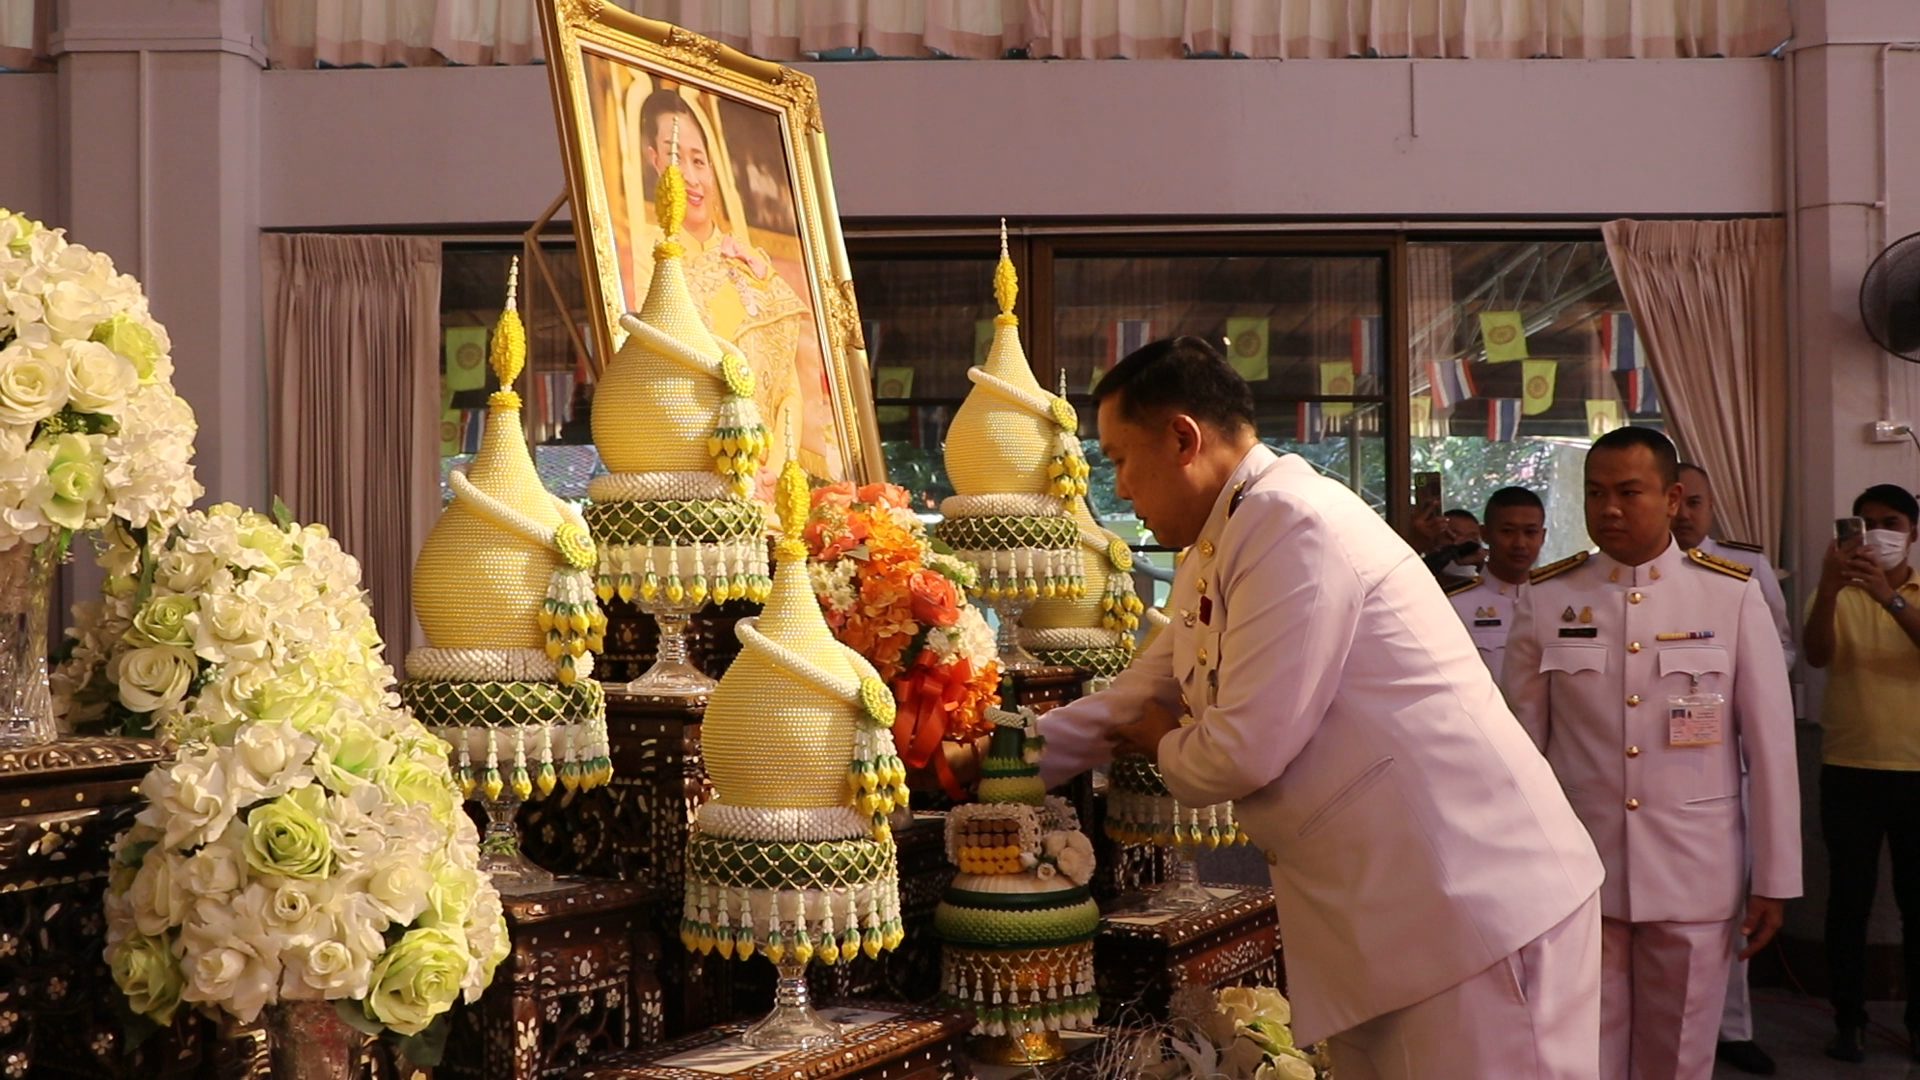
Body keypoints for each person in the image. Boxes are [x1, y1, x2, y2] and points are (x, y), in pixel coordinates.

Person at [1038, 337, 1604, 1080]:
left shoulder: (1288, 521)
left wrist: (1165, 745)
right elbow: (1142, 690)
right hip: (1400, 913)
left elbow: (1240, 750)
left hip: (1467, 904)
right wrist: (1004, 756)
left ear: (1183, 438)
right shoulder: (1230, 534)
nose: (1118, 488)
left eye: (1117, 458)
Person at [1502, 426, 1800, 1080]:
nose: (1608, 508)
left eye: (1628, 492)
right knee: (1584, 1055)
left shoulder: (1729, 595)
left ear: (1671, 499)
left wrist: (1775, 878)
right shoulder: (1548, 599)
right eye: (1596, 493)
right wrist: (1517, 870)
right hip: (1581, 871)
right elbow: (1519, 753)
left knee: (1681, 1057)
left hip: (1696, 871)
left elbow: (1771, 748)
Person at [632, 89, 842, 487]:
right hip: (690, 481)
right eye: (675, 158)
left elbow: (791, 387)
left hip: (771, 484)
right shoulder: (644, 264)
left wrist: (775, 466)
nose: (691, 179)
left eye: (699, 160)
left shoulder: (752, 266)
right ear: (653, 160)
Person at [1668, 460, 1790, 1076]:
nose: (1686, 513)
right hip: (1665, 769)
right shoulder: (1621, 577)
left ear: (1711, 506)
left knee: (1730, 898)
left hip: (1729, 757)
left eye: (1697, 502)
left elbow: (1783, 647)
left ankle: (1734, 1028)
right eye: (1678, 500)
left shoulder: (1744, 569)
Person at [1803, 483, 1920, 1064]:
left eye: (1890, 521)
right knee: (1847, 902)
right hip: (1848, 767)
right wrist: (1830, 587)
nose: (1876, 533)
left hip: (1918, 770)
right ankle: (1848, 1021)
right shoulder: (1838, 591)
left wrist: (1890, 599)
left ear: (1914, 532)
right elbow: (1817, 656)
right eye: (1865, 522)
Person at [1445, 487, 1547, 676]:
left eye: (1530, 532)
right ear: (1484, 534)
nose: (1519, 543)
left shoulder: (1556, 602)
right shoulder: (1454, 606)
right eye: (1507, 531)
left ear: (1543, 536)